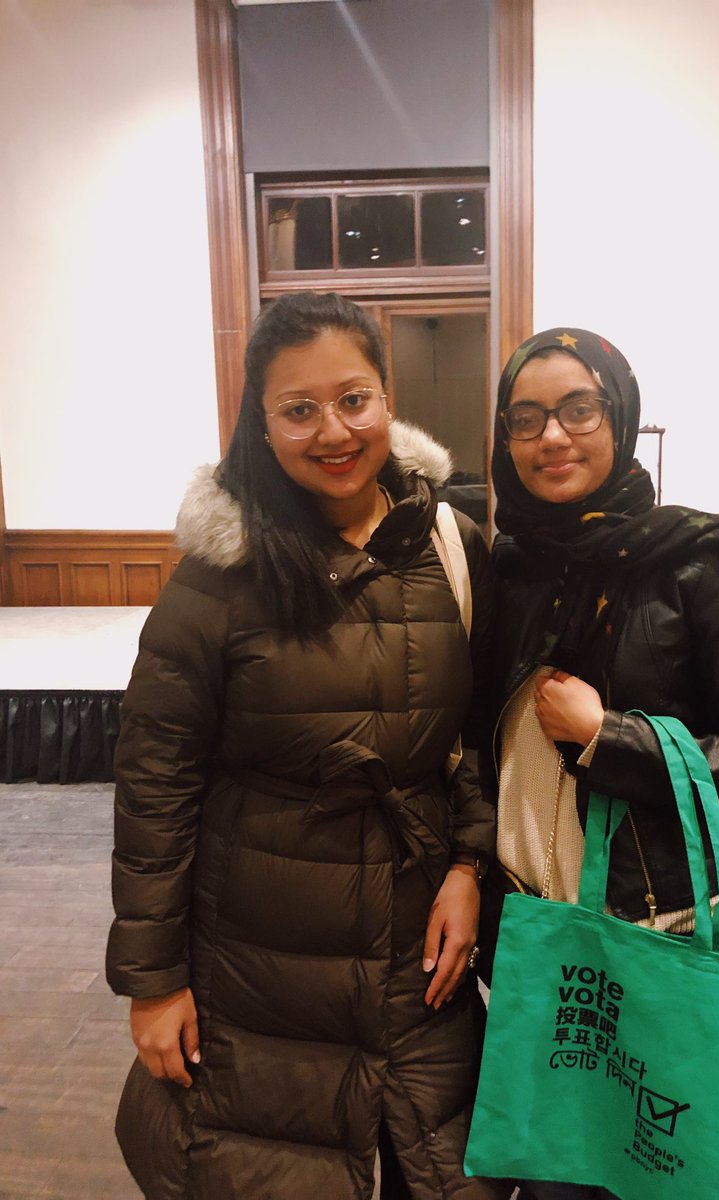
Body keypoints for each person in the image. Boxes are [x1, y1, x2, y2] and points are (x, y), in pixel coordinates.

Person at [106, 291, 506, 1200]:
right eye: (299, 409)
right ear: (261, 422)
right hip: (259, 958)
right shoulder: (220, 575)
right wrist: (154, 983)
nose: (334, 431)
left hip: (416, 945)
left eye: (354, 399)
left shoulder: (451, 544)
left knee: (440, 1170)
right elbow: (155, 782)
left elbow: (476, 736)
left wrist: (468, 867)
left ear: (387, 398)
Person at [483, 328, 719, 1200]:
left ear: (620, 415)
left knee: (652, 1172)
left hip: (649, 931)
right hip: (533, 932)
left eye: (578, 409)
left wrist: (612, 739)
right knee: (552, 1173)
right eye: (526, 417)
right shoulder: (510, 568)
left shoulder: (698, 564)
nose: (551, 436)